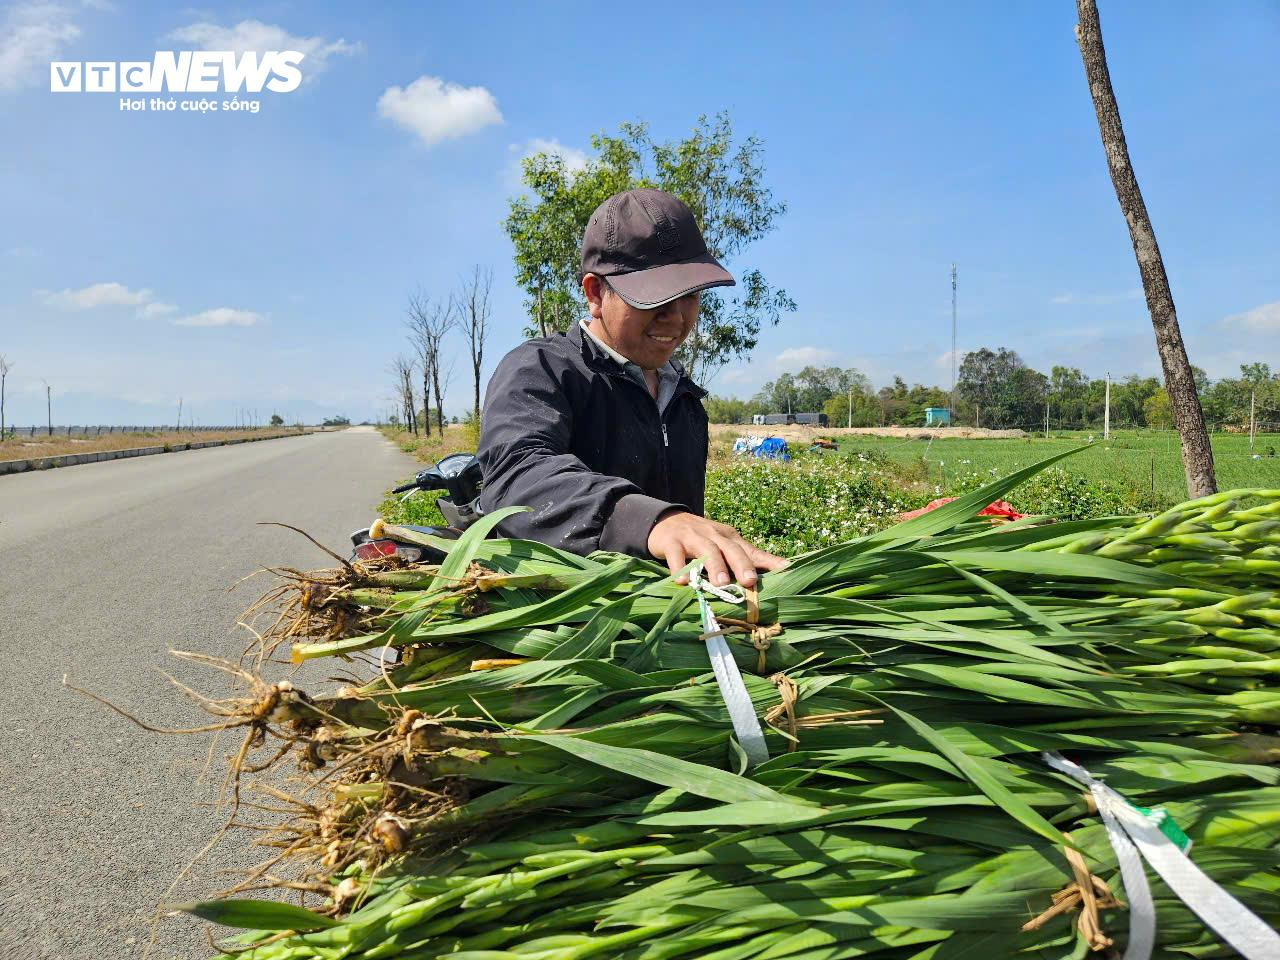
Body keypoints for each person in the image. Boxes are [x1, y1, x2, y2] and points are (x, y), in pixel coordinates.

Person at [476, 188, 784, 588]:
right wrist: (647, 521)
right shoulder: (542, 370)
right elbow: (517, 474)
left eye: (689, 296)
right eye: (654, 298)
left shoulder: (684, 399)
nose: (676, 318)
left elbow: (683, 527)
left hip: (664, 607)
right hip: (576, 609)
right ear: (595, 293)